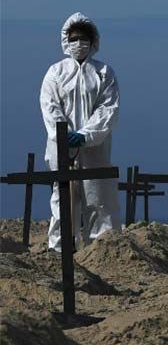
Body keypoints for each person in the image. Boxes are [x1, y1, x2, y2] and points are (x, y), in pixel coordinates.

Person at [40, 13, 121, 252]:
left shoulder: (104, 73)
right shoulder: (55, 72)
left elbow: (108, 109)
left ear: (92, 40)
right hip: (61, 148)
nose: (79, 43)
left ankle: (102, 252)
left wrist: (85, 135)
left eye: (83, 38)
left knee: (100, 201)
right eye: (74, 38)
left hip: (95, 149)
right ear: (66, 40)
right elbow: (50, 107)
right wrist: (63, 135)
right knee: (62, 201)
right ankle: (60, 249)